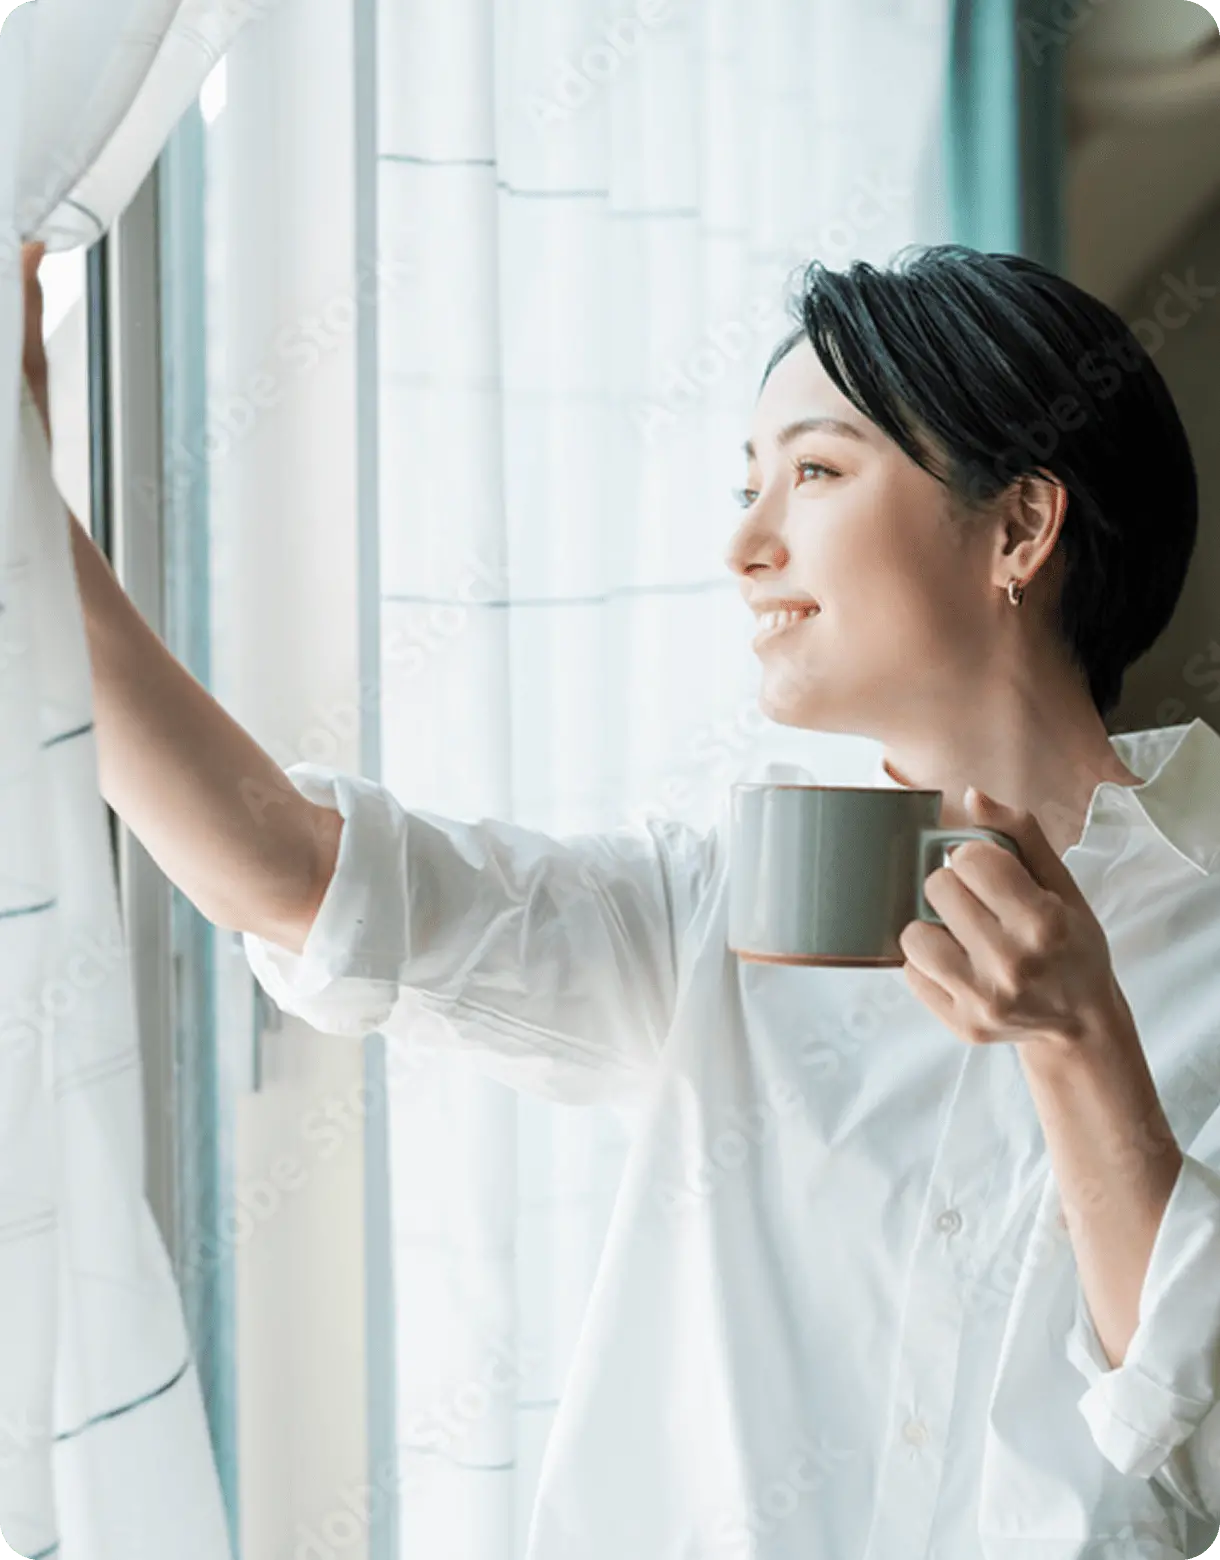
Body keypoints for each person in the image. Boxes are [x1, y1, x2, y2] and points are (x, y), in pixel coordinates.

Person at [21, 238, 1220, 1559]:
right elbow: (301, 879)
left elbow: (1199, 1458)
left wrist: (1080, 1044)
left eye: (813, 472)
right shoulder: (715, 905)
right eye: (748, 485)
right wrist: (26, 528)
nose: (746, 544)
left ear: (1019, 527)